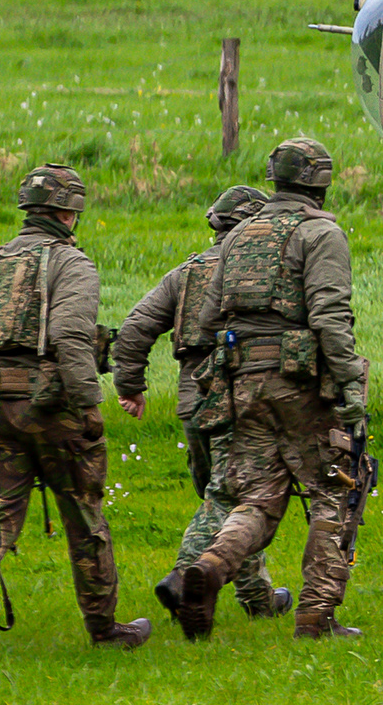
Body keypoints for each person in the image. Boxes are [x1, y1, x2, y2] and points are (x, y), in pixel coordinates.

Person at [0, 165, 149, 657]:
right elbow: (69, 336)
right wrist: (87, 402)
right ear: (70, 212)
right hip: (52, 406)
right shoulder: (71, 263)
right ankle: (105, 629)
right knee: (85, 518)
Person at [154, 136, 368, 641]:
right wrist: (350, 390)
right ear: (321, 182)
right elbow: (329, 318)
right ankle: (316, 617)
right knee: (335, 491)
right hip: (300, 385)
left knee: (257, 499)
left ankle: (209, 566)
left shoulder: (239, 235)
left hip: (242, 383)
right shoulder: (320, 234)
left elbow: (208, 320)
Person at [111, 185, 290, 623]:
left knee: (228, 500)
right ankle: (181, 577)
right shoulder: (261, 271)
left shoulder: (185, 273)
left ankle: (259, 602)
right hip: (239, 398)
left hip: (192, 405)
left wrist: (130, 385)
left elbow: (134, 327)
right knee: (230, 500)